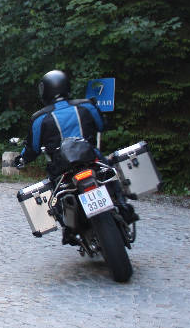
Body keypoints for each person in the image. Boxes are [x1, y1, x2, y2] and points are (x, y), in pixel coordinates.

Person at [14, 70, 137, 242]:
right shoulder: (86, 105)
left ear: (45, 91)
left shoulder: (39, 118)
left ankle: (69, 227)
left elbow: (33, 148)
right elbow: (102, 125)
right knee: (109, 174)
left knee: (57, 192)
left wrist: (22, 159)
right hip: (90, 158)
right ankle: (122, 205)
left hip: (61, 167)